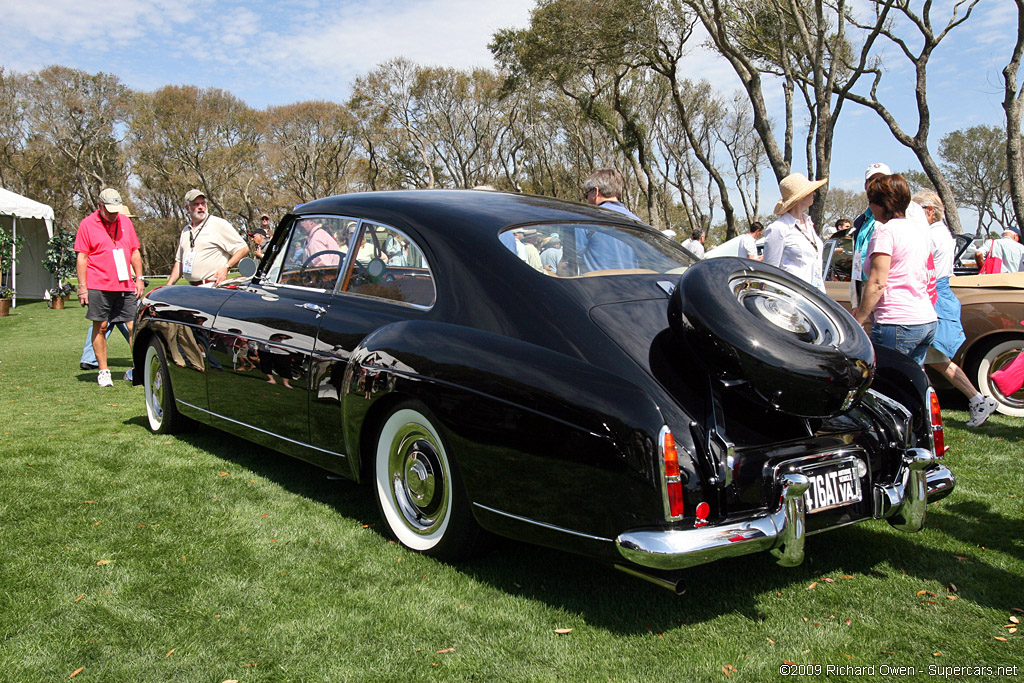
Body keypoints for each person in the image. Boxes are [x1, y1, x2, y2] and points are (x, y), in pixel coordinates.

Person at [915, 189, 998, 426]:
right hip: (937, 296)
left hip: (932, 298)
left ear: (929, 211)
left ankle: (929, 410)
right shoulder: (941, 233)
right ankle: (976, 400)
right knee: (935, 361)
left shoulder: (931, 236)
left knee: (924, 359)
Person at [854, 174, 936, 366]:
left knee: (884, 385)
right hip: (926, 320)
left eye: (871, 202)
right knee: (908, 385)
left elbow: (877, 282)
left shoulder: (884, 231)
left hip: (897, 322)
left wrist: (859, 321)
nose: (870, 207)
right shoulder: (916, 231)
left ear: (883, 204)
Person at [74, 188, 145, 387]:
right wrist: (82, 287)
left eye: (116, 210)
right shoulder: (87, 224)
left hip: (125, 284)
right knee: (101, 326)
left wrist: (139, 278)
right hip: (98, 285)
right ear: (100, 206)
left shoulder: (125, 222)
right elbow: (82, 257)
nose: (114, 215)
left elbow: (134, 252)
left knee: (134, 326)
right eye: (109, 210)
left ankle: (139, 368)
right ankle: (104, 371)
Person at [167, 189, 249, 286]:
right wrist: (168, 286)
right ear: (187, 208)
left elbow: (243, 248)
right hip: (192, 288)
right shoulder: (185, 231)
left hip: (212, 286)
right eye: (196, 204)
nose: (200, 207)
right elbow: (179, 262)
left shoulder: (218, 224)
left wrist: (226, 267)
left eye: (203, 203)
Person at [763, 172, 827, 291]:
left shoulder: (809, 223)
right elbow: (770, 273)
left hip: (814, 298)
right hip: (790, 301)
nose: (814, 193)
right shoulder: (779, 228)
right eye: (810, 191)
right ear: (800, 197)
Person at [580, 168, 640, 270]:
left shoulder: (587, 219)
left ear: (596, 191)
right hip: (632, 284)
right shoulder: (637, 222)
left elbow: (572, 259)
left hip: (594, 284)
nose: (587, 200)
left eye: (587, 195)